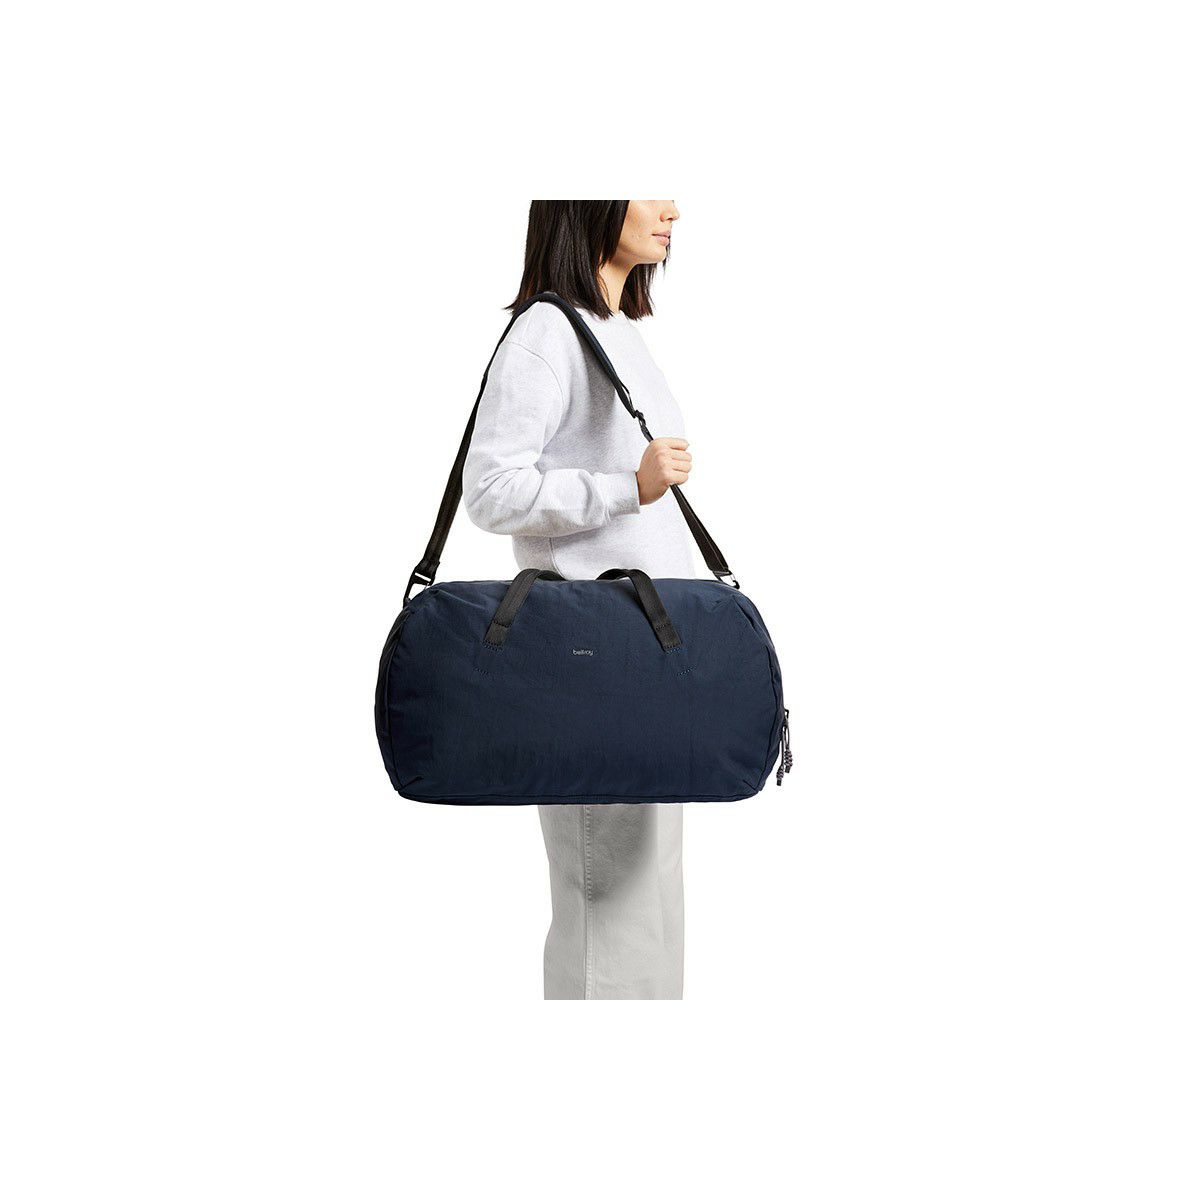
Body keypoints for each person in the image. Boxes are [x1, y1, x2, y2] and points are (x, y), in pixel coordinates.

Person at [464, 200, 695, 1000]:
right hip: (592, 660)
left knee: (649, 908)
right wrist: (626, 486)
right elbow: (491, 490)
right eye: (647, 186)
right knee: (611, 915)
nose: (672, 208)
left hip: (646, 659)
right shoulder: (547, 333)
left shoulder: (616, 331)